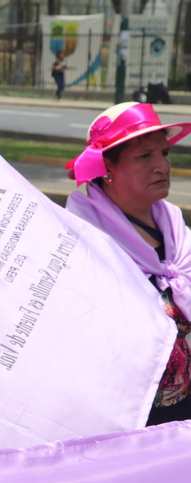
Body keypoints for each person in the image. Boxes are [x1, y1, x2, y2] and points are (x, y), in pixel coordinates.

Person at [65, 102, 191, 425]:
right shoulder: (84, 242)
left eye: (164, 153)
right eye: (144, 156)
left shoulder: (178, 233)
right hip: (129, 423)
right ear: (107, 168)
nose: (162, 166)